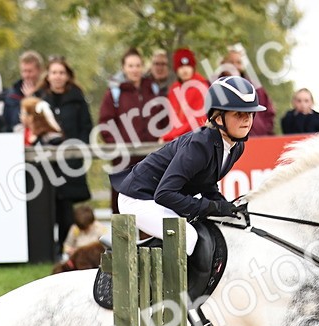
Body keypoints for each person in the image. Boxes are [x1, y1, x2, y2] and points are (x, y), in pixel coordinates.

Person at [110, 75, 261, 256]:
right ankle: (170, 283)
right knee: (188, 236)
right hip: (138, 198)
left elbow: (206, 183)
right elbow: (164, 194)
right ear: (219, 118)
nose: (247, 119)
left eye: (251, 113)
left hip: (160, 197)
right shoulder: (199, 145)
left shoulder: (236, 146)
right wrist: (214, 207)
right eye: (239, 114)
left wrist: (229, 208)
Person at [23, 96, 91, 249]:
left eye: (25, 114)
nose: (22, 117)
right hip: (43, 194)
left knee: (63, 220)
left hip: (58, 191)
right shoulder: (34, 137)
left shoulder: (51, 140)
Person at [99, 48, 161, 210]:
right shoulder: (114, 92)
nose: (135, 70)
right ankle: (123, 236)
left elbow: (162, 118)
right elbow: (105, 124)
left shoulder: (152, 89)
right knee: (122, 204)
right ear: (124, 68)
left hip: (151, 158)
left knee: (151, 203)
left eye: (138, 65)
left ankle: (150, 236)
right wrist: (119, 147)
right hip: (123, 161)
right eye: (131, 66)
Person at [220, 46, 274, 136]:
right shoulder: (214, 87)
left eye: (238, 62)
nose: (234, 66)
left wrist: (264, 129)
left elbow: (268, 111)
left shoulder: (255, 87)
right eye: (230, 62)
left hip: (257, 138)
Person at [37, 56, 93, 144]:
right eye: (54, 73)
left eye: (61, 73)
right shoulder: (39, 100)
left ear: (67, 76)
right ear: (48, 76)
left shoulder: (78, 99)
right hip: (47, 153)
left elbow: (86, 126)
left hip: (73, 150)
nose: (58, 76)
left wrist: (81, 148)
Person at [162, 48, 210, 141]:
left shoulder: (201, 87)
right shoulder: (174, 90)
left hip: (197, 139)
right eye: (181, 67)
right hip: (178, 139)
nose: (185, 70)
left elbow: (198, 121)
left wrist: (170, 135)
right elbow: (174, 120)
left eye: (188, 66)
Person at [55, 203, 108, 273]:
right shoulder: (75, 230)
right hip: (77, 260)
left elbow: (106, 247)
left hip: (93, 261)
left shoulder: (100, 229)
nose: (84, 231)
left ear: (92, 222)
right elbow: (67, 245)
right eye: (82, 229)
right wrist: (69, 250)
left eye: (87, 228)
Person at [3, 51, 43, 129]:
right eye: (24, 71)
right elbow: (9, 122)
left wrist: (31, 98)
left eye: (30, 71)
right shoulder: (11, 95)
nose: (26, 75)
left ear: (39, 71)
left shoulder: (47, 93)